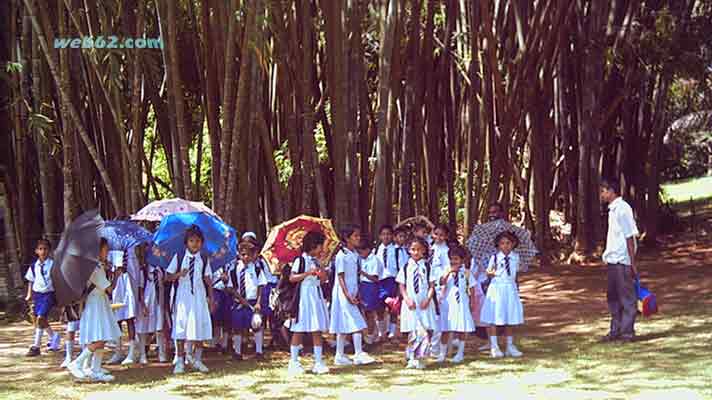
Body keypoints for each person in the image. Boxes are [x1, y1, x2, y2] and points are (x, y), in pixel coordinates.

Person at [67, 238, 122, 382]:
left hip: (99, 302)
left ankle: (95, 370)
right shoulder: (94, 267)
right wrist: (116, 276)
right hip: (95, 304)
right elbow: (109, 288)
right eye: (105, 249)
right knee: (99, 339)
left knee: (101, 337)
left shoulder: (97, 266)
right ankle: (77, 363)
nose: (107, 252)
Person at [165, 225, 215, 374]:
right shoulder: (179, 257)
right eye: (192, 241)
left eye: (198, 241)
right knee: (181, 327)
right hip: (183, 295)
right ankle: (180, 360)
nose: (195, 244)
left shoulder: (204, 258)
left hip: (198, 296)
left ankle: (197, 360)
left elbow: (207, 278)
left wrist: (211, 297)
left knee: (199, 325)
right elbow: (167, 277)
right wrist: (179, 274)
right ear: (186, 242)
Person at [600, 179, 639, 343]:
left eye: (603, 190)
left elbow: (630, 237)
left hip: (623, 261)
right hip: (613, 260)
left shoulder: (623, 209)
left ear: (611, 191)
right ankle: (615, 330)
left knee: (627, 298)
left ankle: (627, 332)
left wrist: (632, 263)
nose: (601, 194)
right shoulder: (612, 210)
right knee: (613, 297)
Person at [329, 225, 376, 366]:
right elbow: (341, 277)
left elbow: (355, 275)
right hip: (343, 293)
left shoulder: (355, 255)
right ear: (347, 238)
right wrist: (347, 295)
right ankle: (358, 353)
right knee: (356, 322)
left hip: (353, 292)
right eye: (355, 236)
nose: (358, 238)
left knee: (344, 324)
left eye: (359, 235)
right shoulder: (341, 255)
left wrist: (357, 293)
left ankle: (339, 355)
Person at [287, 231, 330, 375]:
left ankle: (318, 362)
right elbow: (292, 278)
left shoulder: (317, 261)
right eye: (320, 247)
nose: (322, 250)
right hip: (304, 297)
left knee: (316, 328)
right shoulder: (301, 260)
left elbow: (323, 280)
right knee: (299, 328)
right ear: (313, 245)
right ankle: (293, 361)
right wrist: (307, 274)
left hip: (315, 296)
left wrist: (322, 267)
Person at [480, 231, 525, 358]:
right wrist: (490, 272)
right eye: (502, 243)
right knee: (495, 316)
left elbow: (516, 274)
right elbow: (488, 271)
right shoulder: (494, 257)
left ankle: (509, 346)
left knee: (510, 317)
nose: (505, 246)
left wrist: (517, 286)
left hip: (510, 289)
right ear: (498, 245)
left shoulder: (515, 257)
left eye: (508, 243)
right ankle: (494, 346)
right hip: (497, 288)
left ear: (513, 244)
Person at [397, 238, 437, 369]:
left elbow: (432, 285)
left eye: (419, 249)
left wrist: (428, 299)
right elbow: (401, 285)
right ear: (409, 250)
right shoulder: (406, 266)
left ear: (424, 250)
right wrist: (407, 299)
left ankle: (422, 358)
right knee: (412, 330)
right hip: (411, 303)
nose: (415, 252)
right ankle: (412, 358)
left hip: (423, 302)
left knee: (424, 331)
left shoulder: (427, 266)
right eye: (413, 249)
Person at [227, 241, 267, 361]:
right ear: (239, 254)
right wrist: (240, 299)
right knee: (238, 327)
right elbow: (230, 287)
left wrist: (259, 302)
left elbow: (261, 285)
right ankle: (237, 352)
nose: (246, 257)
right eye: (243, 254)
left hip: (253, 302)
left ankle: (259, 351)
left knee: (256, 325)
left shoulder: (257, 269)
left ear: (253, 255)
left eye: (249, 255)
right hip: (238, 302)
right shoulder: (234, 269)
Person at [437, 245, 476, 363]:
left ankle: (460, 353)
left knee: (461, 328)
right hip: (448, 302)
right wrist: (448, 272)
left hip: (462, 302)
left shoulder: (467, 273)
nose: (454, 261)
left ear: (462, 260)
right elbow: (441, 282)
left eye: (456, 259)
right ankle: (442, 354)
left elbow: (472, 288)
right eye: (451, 259)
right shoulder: (446, 270)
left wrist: (472, 302)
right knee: (446, 328)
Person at [24, 238, 61, 357]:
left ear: (49, 250)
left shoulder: (53, 264)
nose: (43, 251)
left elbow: (58, 280)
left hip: (49, 294)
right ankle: (53, 337)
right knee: (40, 319)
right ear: (36, 251)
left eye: (45, 249)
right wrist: (29, 294)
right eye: (40, 249)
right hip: (37, 294)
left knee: (40, 317)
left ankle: (36, 346)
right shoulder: (34, 266)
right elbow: (31, 280)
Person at [134, 243, 167, 364]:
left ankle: (161, 353)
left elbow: (165, 282)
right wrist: (142, 305)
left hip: (159, 301)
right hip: (147, 301)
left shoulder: (161, 269)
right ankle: (143, 353)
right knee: (143, 328)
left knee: (159, 328)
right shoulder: (144, 270)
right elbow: (140, 288)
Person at [108, 247, 140, 365]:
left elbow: (137, 265)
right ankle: (118, 350)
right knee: (117, 318)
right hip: (117, 283)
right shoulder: (112, 246)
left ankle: (132, 351)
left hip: (129, 282)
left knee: (130, 317)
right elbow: (108, 265)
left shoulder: (132, 246)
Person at [356, 238, 384, 344]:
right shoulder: (360, 259)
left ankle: (371, 335)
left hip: (371, 286)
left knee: (369, 312)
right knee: (364, 311)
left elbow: (375, 278)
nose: (360, 253)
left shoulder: (374, 260)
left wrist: (362, 272)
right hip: (362, 286)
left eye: (362, 250)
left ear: (368, 249)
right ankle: (371, 333)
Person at [375, 225, 400, 340]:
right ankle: (381, 331)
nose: (386, 236)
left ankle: (392, 331)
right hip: (379, 281)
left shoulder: (397, 250)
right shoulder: (376, 250)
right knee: (379, 307)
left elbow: (401, 267)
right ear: (380, 236)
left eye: (388, 234)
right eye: (383, 234)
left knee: (393, 307)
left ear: (392, 236)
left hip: (392, 280)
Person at [429, 224, 451, 358]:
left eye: (441, 235)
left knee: (438, 318)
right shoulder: (430, 248)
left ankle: (435, 347)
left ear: (446, 236)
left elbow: (447, 270)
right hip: (428, 286)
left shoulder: (446, 251)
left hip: (439, 287)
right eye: (436, 234)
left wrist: (443, 289)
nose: (438, 237)